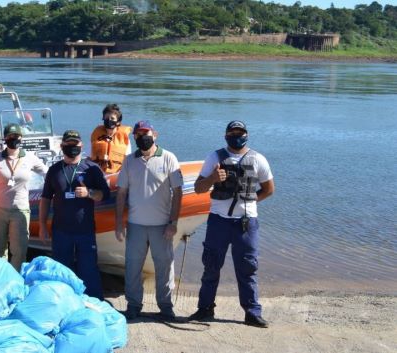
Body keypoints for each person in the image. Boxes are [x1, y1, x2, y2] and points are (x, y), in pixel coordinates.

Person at [188, 120, 275, 328]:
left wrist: (250, 202)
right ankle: (205, 308)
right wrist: (212, 178)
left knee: (247, 268)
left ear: (247, 134)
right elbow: (199, 188)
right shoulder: (214, 157)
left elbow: (269, 188)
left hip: (246, 223)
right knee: (211, 266)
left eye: (240, 132)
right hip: (218, 221)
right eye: (233, 132)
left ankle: (252, 312)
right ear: (226, 135)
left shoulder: (257, 159)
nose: (237, 135)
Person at [114, 120, 183, 321]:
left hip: (162, 226)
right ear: (134, 137)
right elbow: (121, 193)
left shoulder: (169, 158)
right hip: (135, 225)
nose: (143, 137)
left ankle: (166, 307)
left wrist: (173, 223)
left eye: (146, 133)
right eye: (138, 134)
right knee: (133, 267)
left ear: (155, 134)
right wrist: (119, 223)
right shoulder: (129, 161)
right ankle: (133, 305)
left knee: (164, 266)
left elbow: (178, 193)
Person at [39, 130, 110, 300]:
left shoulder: (92, 168)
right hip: (61, 230)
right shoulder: (54, 170)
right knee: (62, 272)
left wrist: (89, 192)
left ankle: (94, 303)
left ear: (81, 145)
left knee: (89, 270)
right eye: (68, 145)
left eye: (75, 144)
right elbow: (46, 198)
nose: (72, 147)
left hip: (85, 231)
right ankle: (64, 303)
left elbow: (104, 194)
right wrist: (42, 225)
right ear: (62, 146)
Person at [0, 124, 48, 271]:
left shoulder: (30, 158)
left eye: (16, 136)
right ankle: (0, 278)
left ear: (21, 138)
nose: (13, 139)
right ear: (5, 139)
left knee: (19, 250)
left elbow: (47, 173)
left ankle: (15, 279)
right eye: (10, 137)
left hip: (20, 209)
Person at [89, 104, 132, 174]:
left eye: (112, 118)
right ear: (103, 119)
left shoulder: (124, 139)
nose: (109, 120)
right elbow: (89, 157)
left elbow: (128, 161)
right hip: (98, 173)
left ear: (118, 121)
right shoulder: (96, 135)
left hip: (116, 175)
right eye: (106, 117)